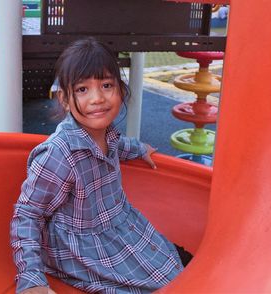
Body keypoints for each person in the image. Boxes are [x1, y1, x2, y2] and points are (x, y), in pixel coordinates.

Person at [10, 38, 193, 294]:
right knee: (163, 285)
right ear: (64, 99)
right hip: (84, 247)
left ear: (121, 90)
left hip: (118, 224)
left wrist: (139, 148)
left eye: (106, 85)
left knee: (174, 264)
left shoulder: (107, 134)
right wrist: (31, 277)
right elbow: (28, 215)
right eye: (83, 90)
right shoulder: (60, 155)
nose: (97, 98)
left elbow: (116, 146)